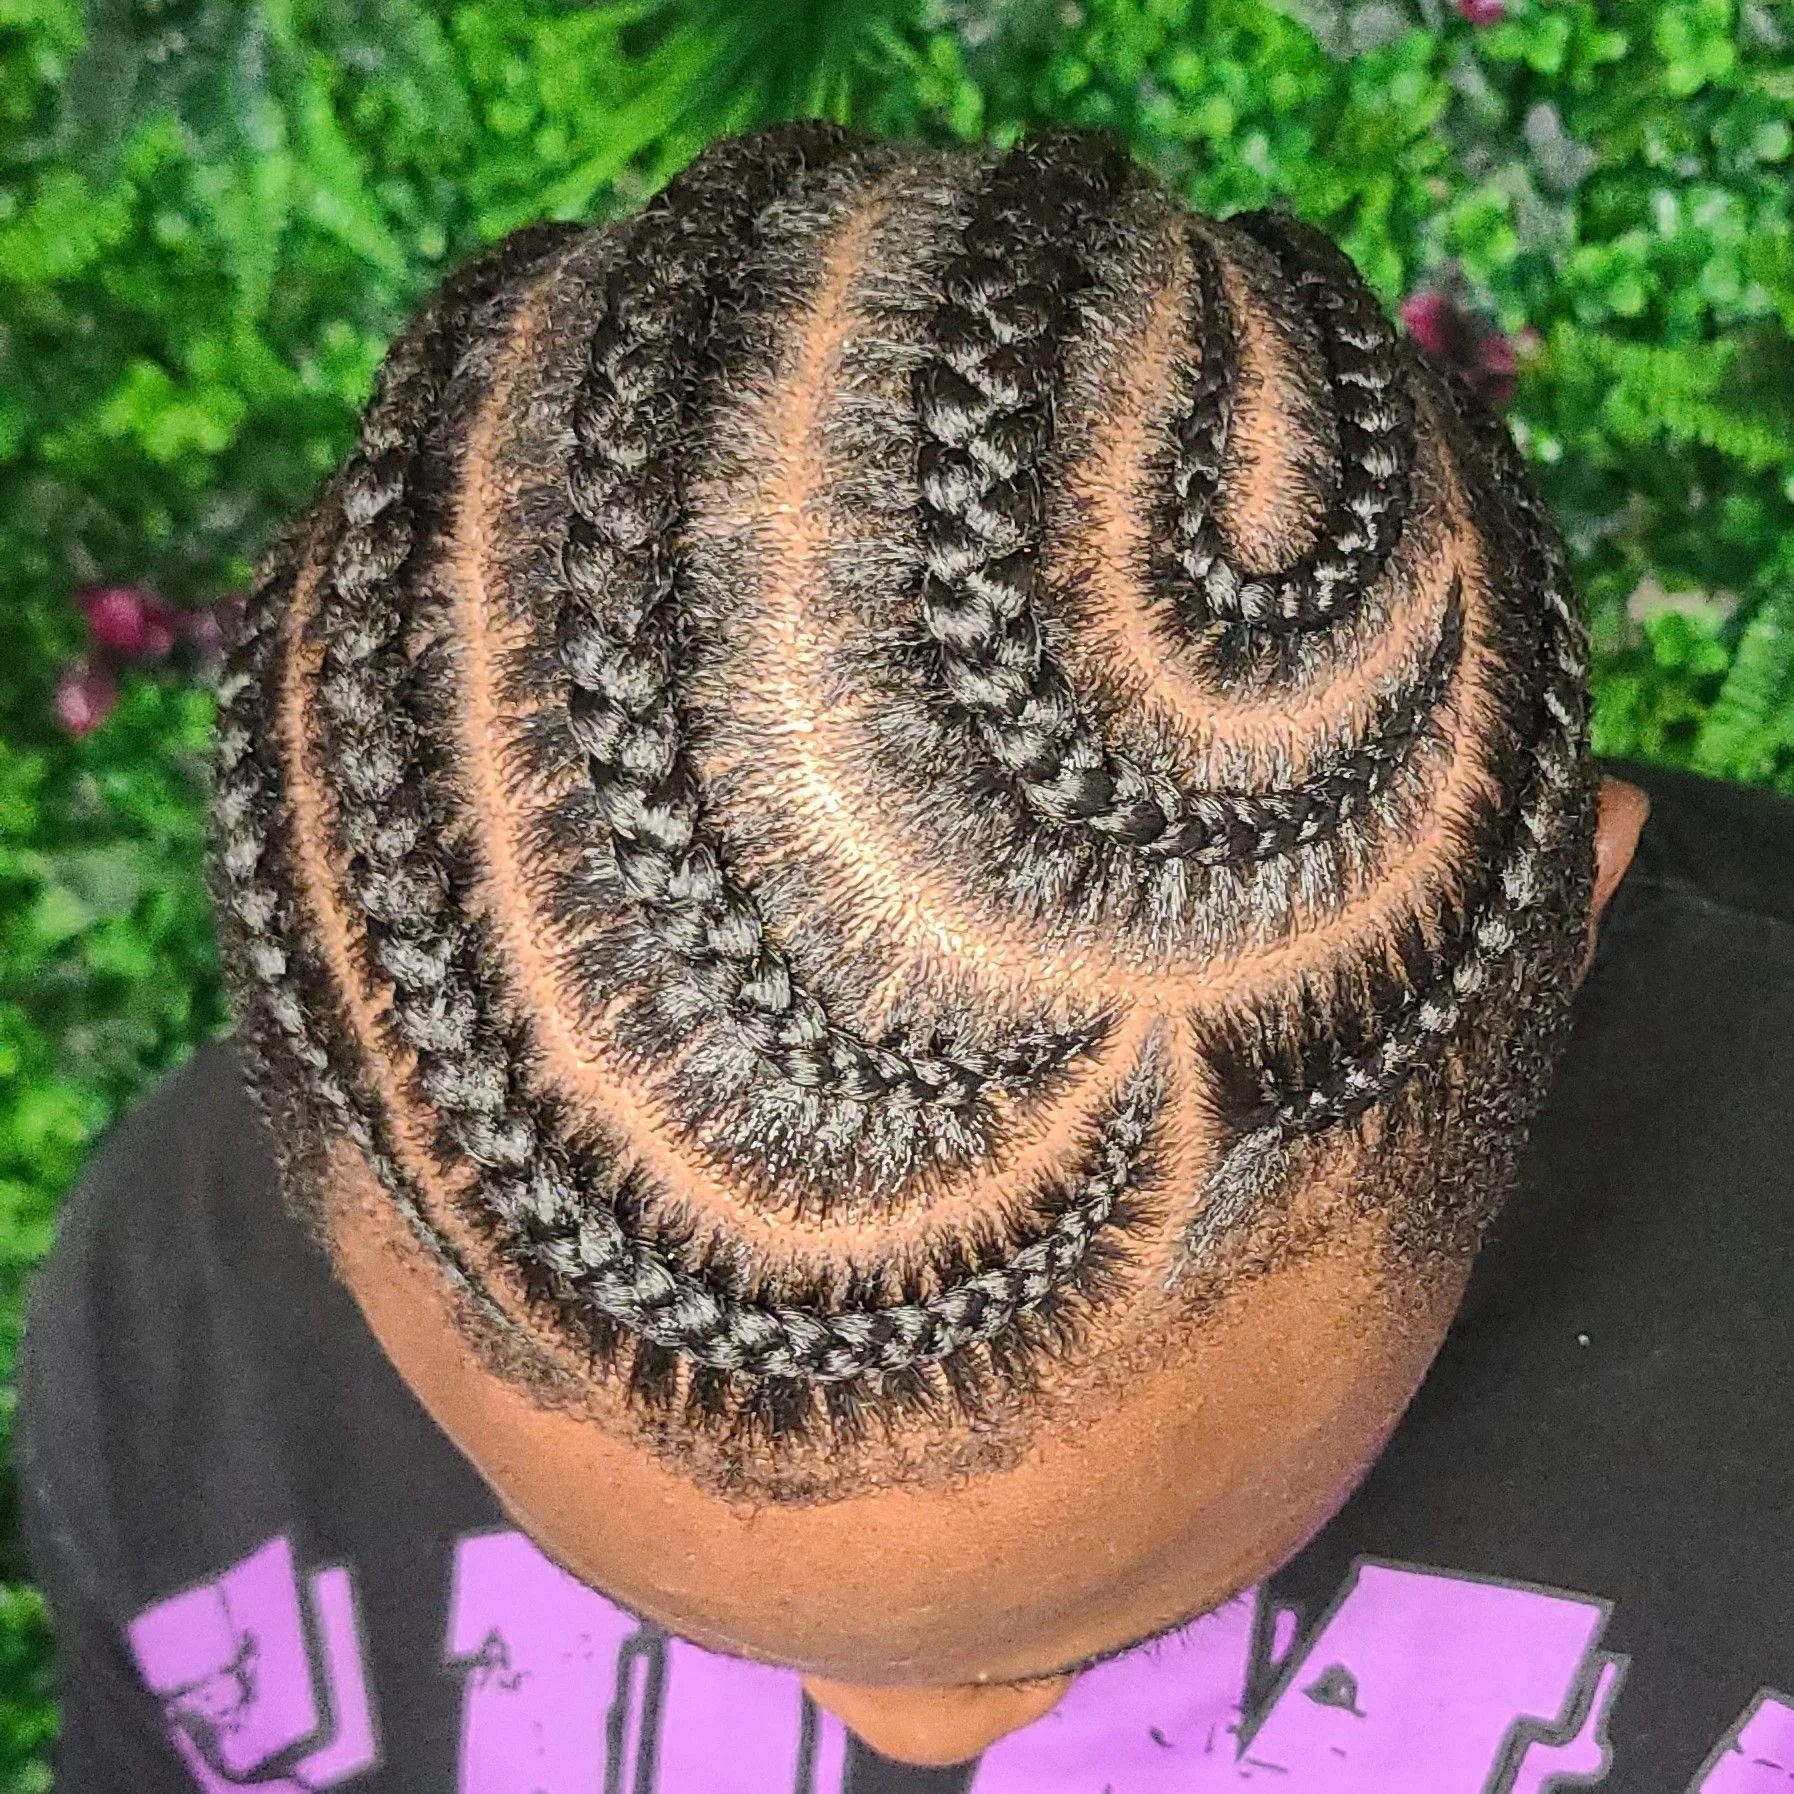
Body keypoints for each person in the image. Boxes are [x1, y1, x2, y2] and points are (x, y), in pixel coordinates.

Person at [16, 120, 1794, 1794]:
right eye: (682, 1613)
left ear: (1564, 922)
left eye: (1119, 1604)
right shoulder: (176, 1361)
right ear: (314, 1137)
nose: (924, 1736)